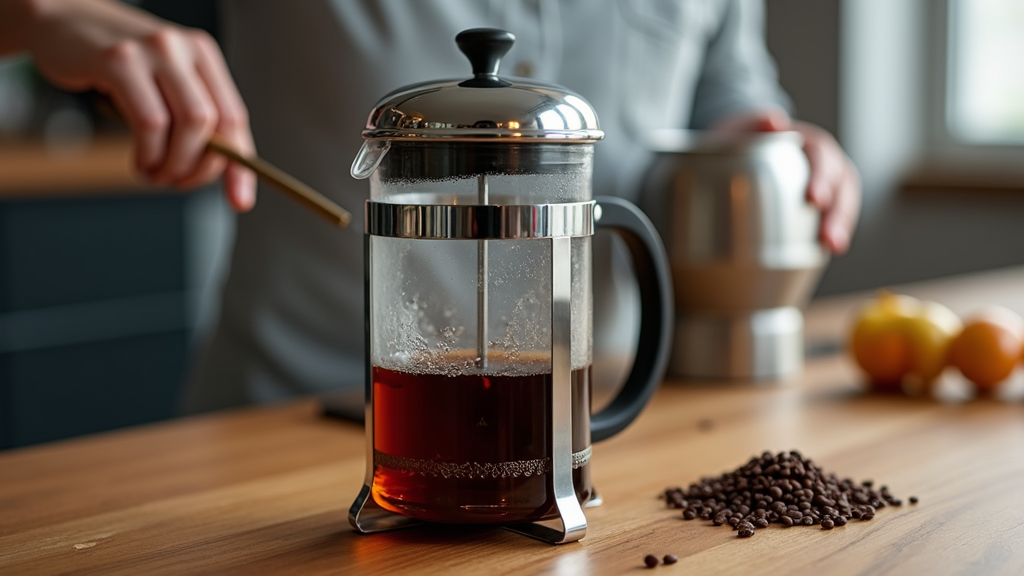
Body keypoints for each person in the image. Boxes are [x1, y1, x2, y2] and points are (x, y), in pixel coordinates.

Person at [0, 0, 860, 413]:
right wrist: (46, 13)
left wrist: (773, 152)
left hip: (601, 408)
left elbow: (726, 96)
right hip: (299, 413)